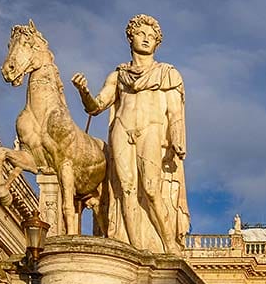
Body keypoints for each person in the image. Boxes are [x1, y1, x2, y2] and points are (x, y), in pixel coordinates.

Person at [71, 14, 189, 254]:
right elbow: (96, 106)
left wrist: (178, 138)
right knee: (126, 189)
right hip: (122, 128)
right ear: (130, 38)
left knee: (151, 188)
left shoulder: (167, 74)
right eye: (141, 34)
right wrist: (84, 92)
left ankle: (169, 245)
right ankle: (134, 248)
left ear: (157, 43)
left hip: (151, 128)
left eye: (151, 36)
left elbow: (175, 112)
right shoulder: (118, 76)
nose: (146, 39)